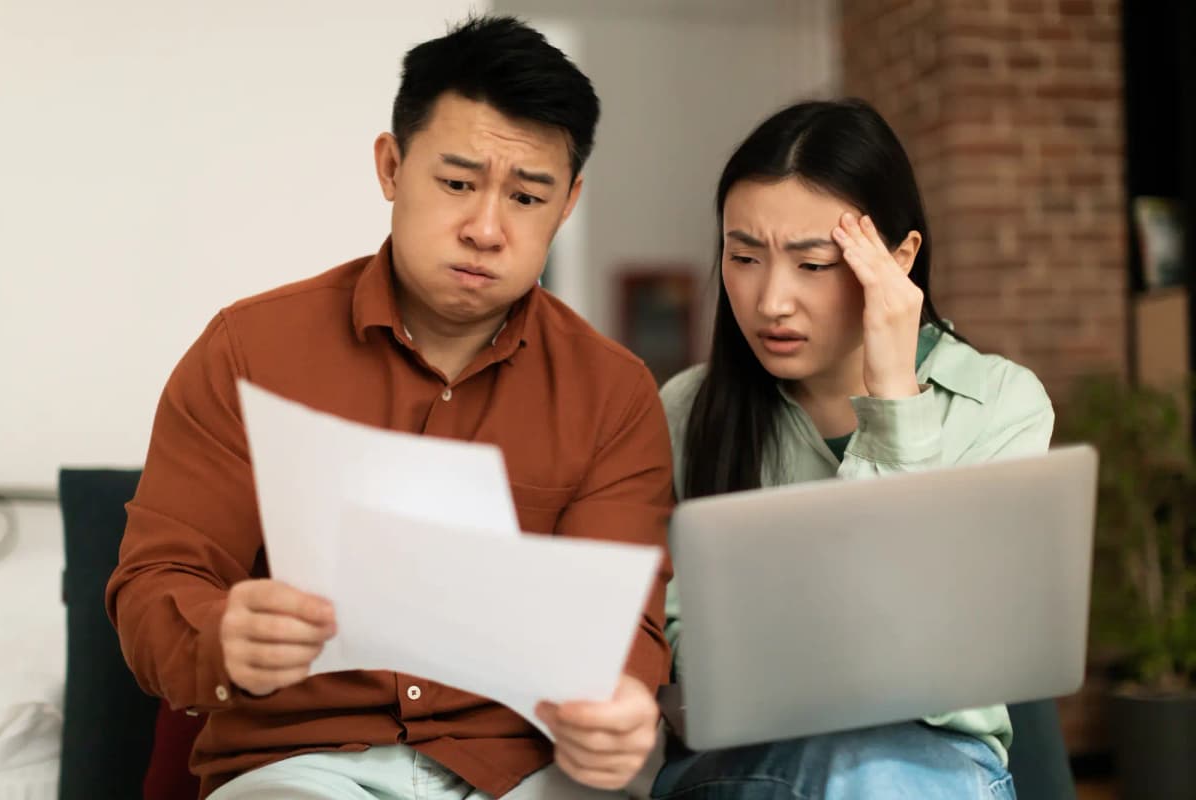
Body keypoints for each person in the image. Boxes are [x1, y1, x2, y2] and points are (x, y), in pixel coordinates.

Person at [107, 16, 672, 800]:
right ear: (391, 165)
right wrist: (220, 635)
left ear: (568, 204)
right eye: (456, 182)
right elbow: (158, 581)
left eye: (526, 196)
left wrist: (620, 707)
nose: (485, 228)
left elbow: (626, 634)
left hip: (526, 772)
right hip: (299, 767)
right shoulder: (248, 350)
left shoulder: (614, 394)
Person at [651, 99, 1054, 800]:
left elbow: (924, 650)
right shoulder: (688, 410)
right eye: (743, 257)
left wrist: (895, 399)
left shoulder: (999, 407)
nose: (771, 299)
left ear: (898, 260)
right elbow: (685, 643)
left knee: (871, 772)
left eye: (813, 264)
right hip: (745, 765)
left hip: (931, 768)